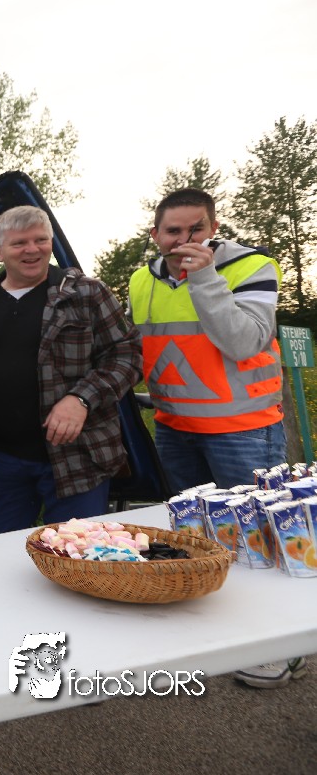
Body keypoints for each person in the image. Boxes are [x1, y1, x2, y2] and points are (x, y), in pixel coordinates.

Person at [128, 188, 299, 689]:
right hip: (176, 429)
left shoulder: (252, 267)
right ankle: (221, 636)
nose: (184, 239)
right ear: (155, 234)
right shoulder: (141, 280)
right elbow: (147, 349)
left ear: (213, 227)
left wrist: (203, 278)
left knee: (261, 542)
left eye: (195, 228)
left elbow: (243, 342)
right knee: (199, 542)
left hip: (243, 431)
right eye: (173, 231)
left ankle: (281, 647)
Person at [0, 205, 142, 536]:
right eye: (19, 243)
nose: (32, 249)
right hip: (1, 462)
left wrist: (81, 399)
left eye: (40, 240)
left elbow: (127, 354)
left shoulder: (86, 293)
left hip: (77, 458)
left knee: (77, 552)